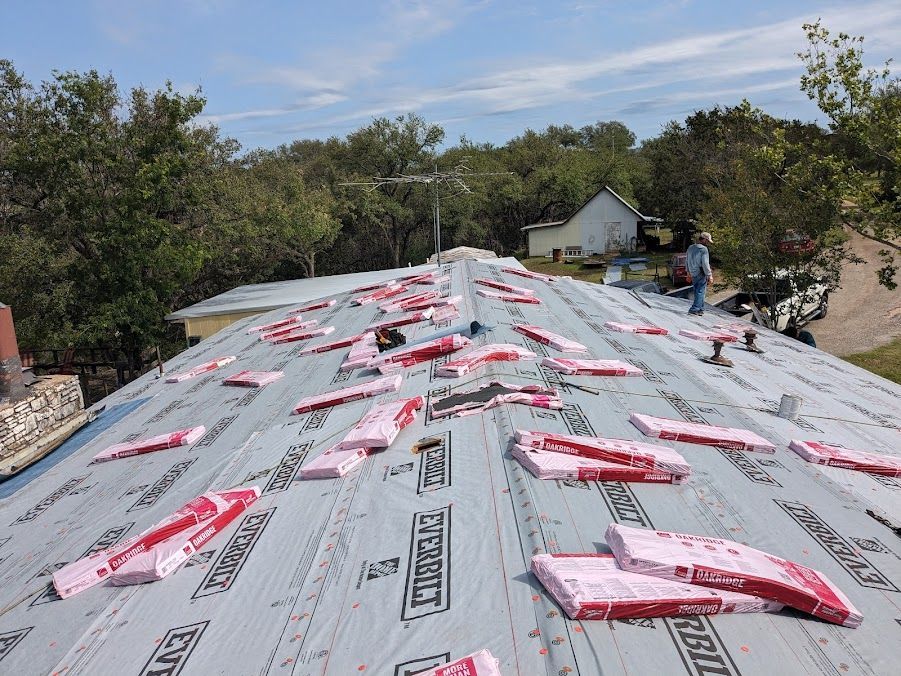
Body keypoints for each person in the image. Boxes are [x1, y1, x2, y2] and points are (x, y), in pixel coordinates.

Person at [686, 232, 714, 316]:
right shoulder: (703, 249)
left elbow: (686, 261)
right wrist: (709, 275)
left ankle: (700, 309)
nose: (708, 243)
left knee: (698, 291)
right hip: (700, 272)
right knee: (700, 291)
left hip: (693, 272)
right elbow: (705, 263)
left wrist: (688, 273)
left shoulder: (690, 247)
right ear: (704, 240)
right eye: (708, 241)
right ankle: (694, 309)